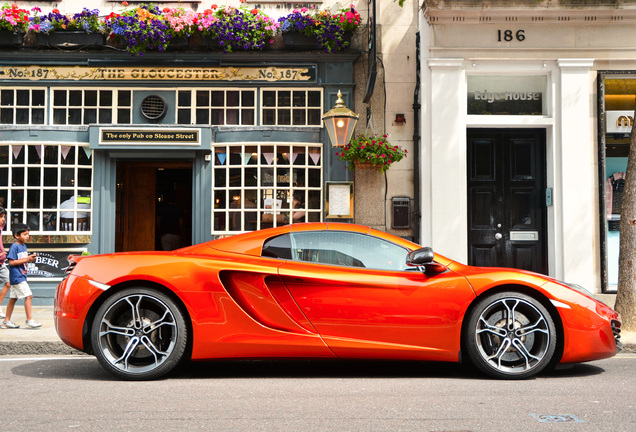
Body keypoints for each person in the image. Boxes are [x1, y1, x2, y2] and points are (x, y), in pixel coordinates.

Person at [1, 223, 41, 329]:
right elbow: (12, 262)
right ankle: (29, 320)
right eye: (24, 234)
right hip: (17, 277)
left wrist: (29, 258)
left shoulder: (23, 246)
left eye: (28, 234)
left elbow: (21, 259)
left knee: (13, 299)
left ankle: (6, 321)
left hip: (21, 276)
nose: (27, 236)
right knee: (28, 296)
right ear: (16, 235)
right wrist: (27, 259)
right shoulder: (14, 246)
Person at [0, 207, 11, 320]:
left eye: (4, 217)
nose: (3, 219)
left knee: (9, 281)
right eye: (1, 217)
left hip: (1, 263)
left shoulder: (0, 228)